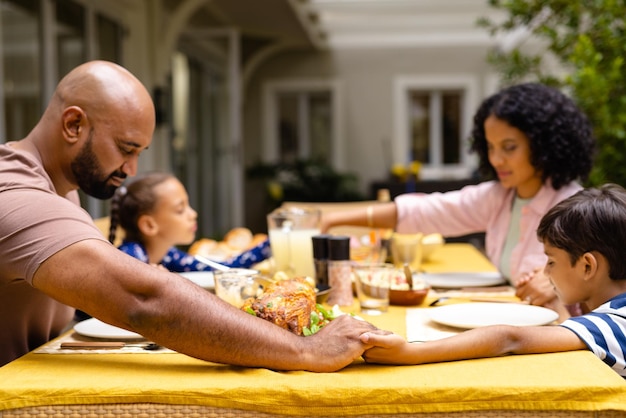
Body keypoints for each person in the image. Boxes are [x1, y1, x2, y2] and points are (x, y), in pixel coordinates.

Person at [0, 60, 380, 369]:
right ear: (73, 124)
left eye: (139, 154)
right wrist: (308, 350)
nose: (132, 169)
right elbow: (143, 299)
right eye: (125, 148)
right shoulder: (15, 195)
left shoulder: (59, 188)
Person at [321, 82, 595, 316]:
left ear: (544, 145)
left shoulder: (574, 208)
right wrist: (336, 219)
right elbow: (426, 212)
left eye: (509, 147)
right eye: (490, 147)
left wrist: (559, 283)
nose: (496, 159)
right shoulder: (501, 195)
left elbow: (608, 282)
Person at [360, 184, 626, 378]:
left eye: (551, 261)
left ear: (588, 266)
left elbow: (509, 339)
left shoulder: (612, 323)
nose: (545, 272)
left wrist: (410, 352)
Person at [108, 172, 269, 271]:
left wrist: (272, 243)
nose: (193, 214)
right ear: (149, 225)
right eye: (180, 209)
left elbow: (221, 269)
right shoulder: (130, 259)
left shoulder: (166, 255)